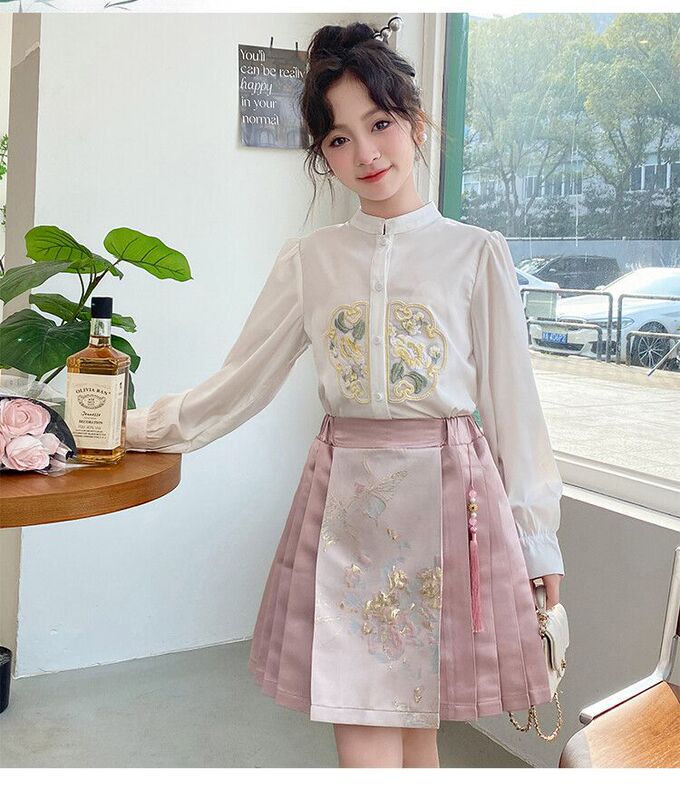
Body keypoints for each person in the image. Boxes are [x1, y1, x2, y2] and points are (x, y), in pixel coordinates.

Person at [125, 22, 565, 769]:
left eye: (380, 123)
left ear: (415, 122)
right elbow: (242, 381)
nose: (365, 153)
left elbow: (514, 410)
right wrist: (139, 428)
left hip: (452, 504)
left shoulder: (476, 253)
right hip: (347, 513)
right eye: (338, 138)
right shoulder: (311, 260)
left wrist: (537, 539)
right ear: (320, 154)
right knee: (364, 725)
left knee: (418, 729)